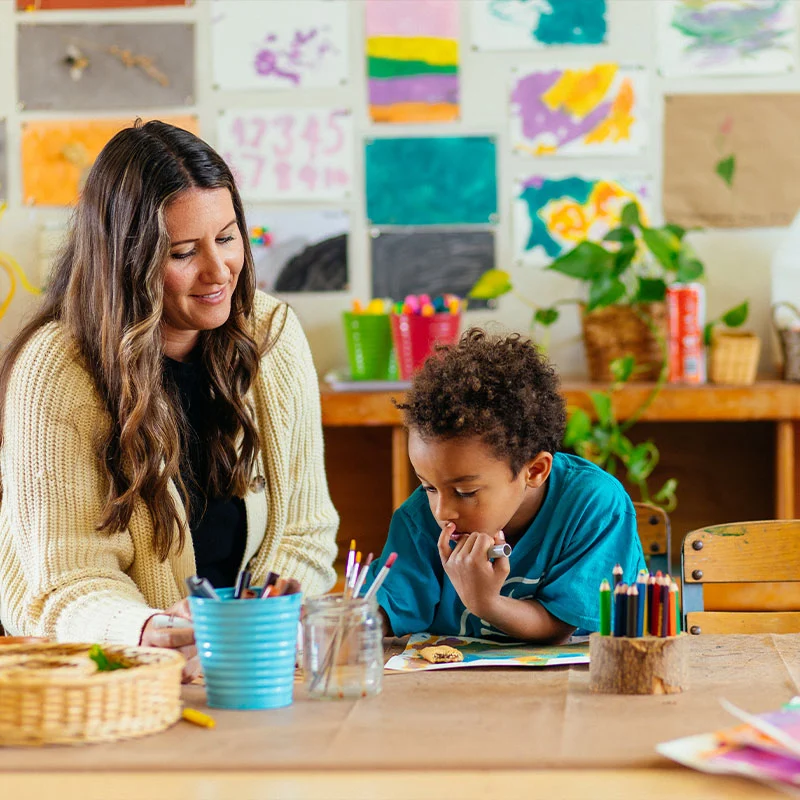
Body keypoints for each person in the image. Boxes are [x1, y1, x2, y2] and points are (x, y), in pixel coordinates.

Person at [0, 120, 339, 679]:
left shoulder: (273, 335)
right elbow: (66, 583)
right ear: (125, 261)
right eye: (183, 252)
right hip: (113, 676)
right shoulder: (55, 370)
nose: (218, 272)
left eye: (227, 238)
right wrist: (147, 630)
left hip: (245, 664)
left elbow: (305, 533)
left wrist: (253, 625)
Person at [363, 328, 645, 643]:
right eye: (429, 487)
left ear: (534, 470)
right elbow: (383, 612)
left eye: (465, 492)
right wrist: (354, 619)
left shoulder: (592, 505)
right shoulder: (418, 521)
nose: (441, 511)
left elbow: (559, 628)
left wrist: (486, 603)